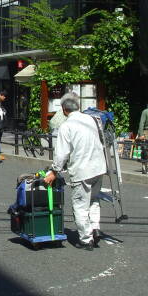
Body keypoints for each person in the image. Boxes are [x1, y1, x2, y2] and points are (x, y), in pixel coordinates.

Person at [43, 92, 107, 250]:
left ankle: (86, 239)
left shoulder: (66, 126)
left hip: (82, 170)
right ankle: (95, 228)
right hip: (99, 167)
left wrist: (54, 171)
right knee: (94, 199)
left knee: (80, 205)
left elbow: (62, 153)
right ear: (79, 106)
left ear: (64, 109)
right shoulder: (92, 120)